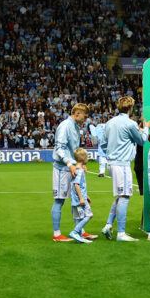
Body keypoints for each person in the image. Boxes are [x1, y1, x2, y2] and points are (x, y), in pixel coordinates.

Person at [100, 97, 150, 242]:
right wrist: (147, 126)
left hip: (111, 162)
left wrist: (112, 153)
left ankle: (108, 225)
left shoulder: (110, 123)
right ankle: (121, 233)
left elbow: (103, 144)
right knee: (124, 196)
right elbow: (142, 140)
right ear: (130, 109)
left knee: (120, 195)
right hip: (122, 164)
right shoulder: (130, 124)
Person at [51, 103, 89, 242]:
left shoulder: (75, 126)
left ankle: (79, 230)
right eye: (84, 117)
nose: (85, 120)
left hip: (71, 167)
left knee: (76, 200)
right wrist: (69, 163)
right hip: (62, 168)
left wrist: (79, 164)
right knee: (59, 200)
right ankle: (57, 234)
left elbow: (74, 148)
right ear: (77, 113)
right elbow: (59, 147)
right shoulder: (65, 126)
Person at [68, 148, 94, 243]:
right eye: (87, 157)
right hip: (79, 200)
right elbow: (76, 185)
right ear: (83, 158)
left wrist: (85, 195)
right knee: (89, 215)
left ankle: (79, 238)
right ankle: (75, 232)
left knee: (78, 218)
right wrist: (82, 198)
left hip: (75, 199)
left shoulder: (76, 169)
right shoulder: (80, 171)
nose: (87, 158)